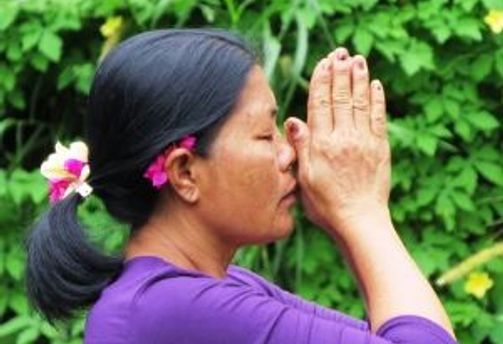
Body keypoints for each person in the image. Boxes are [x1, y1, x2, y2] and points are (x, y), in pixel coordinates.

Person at [25, 28, 457, 343]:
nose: (289, 153)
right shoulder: (170, 309)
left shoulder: (217, 289)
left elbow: (391, 333)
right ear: (185, 172)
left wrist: (345, 219)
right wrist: (363, 212)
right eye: (265, 135)